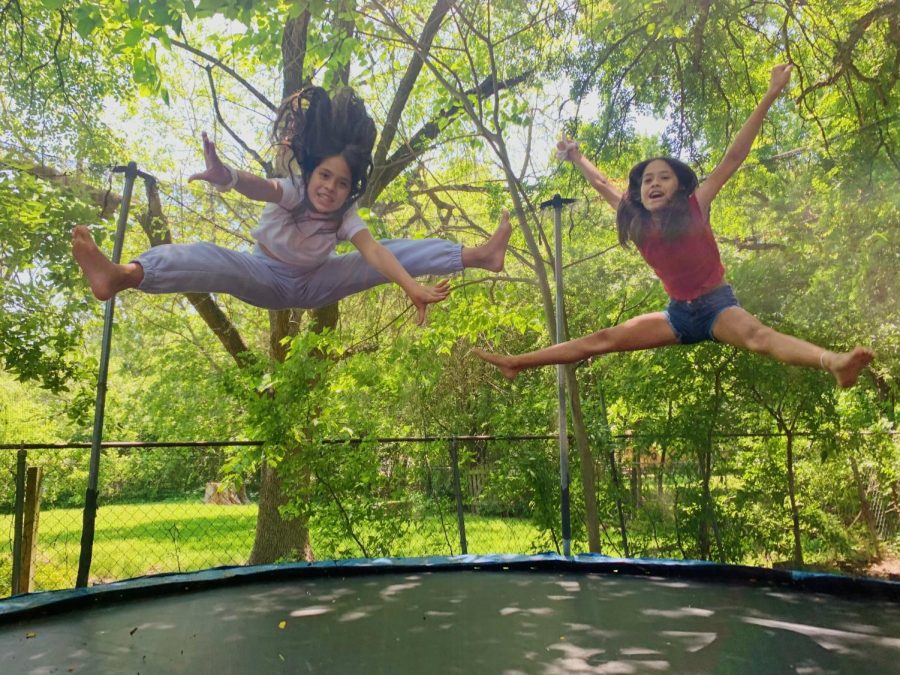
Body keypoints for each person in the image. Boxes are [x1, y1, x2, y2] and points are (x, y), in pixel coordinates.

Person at [475, 64, 872, 388]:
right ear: (640, 192)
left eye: (663, 177)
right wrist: (576, 156)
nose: (653, 183)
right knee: (603, 340)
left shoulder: (697, 205)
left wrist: (769, 95)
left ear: (679, 186)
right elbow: (601, 184)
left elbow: (733, 158)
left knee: (758, 338)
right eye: (647, 179)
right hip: (677, 316)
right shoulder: (635, 218)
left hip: (718, 307)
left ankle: (834, 362)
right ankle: (517, 363)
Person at [73, 86, 511, 325]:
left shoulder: (344, 215)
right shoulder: (295, 190)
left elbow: (374, 253)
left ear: (349, 188)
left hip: (316, 281)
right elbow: (260, 187)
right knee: (211, 258)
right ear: (310, 172)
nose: (329, 189)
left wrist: (409, 286)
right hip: (266, 274)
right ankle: (123, 275)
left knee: (389, 250)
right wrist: (226, 176)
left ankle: (480, 256)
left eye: (341, 183)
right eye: (324, 176)